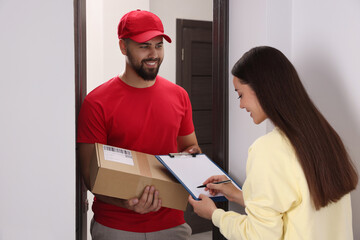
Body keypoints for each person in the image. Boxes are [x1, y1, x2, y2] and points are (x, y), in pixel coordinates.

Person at [188, 46, 358, 239]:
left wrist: (215, 215)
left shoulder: (268, 149)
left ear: (262, 88)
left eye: (240, 94)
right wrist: (236, 194)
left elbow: (260, 235)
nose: (241, 105)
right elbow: (297, 205)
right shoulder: (325, 137)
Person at [77, 10, 201, 240]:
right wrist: (126, 202)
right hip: (116, 227)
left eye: (159, 45)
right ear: (123, 47)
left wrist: (192, 157)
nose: (154, 54)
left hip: (172, 225)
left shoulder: (179, 96)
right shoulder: (97, 102)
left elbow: (191, 147)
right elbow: (89, 175)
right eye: (144, 46)